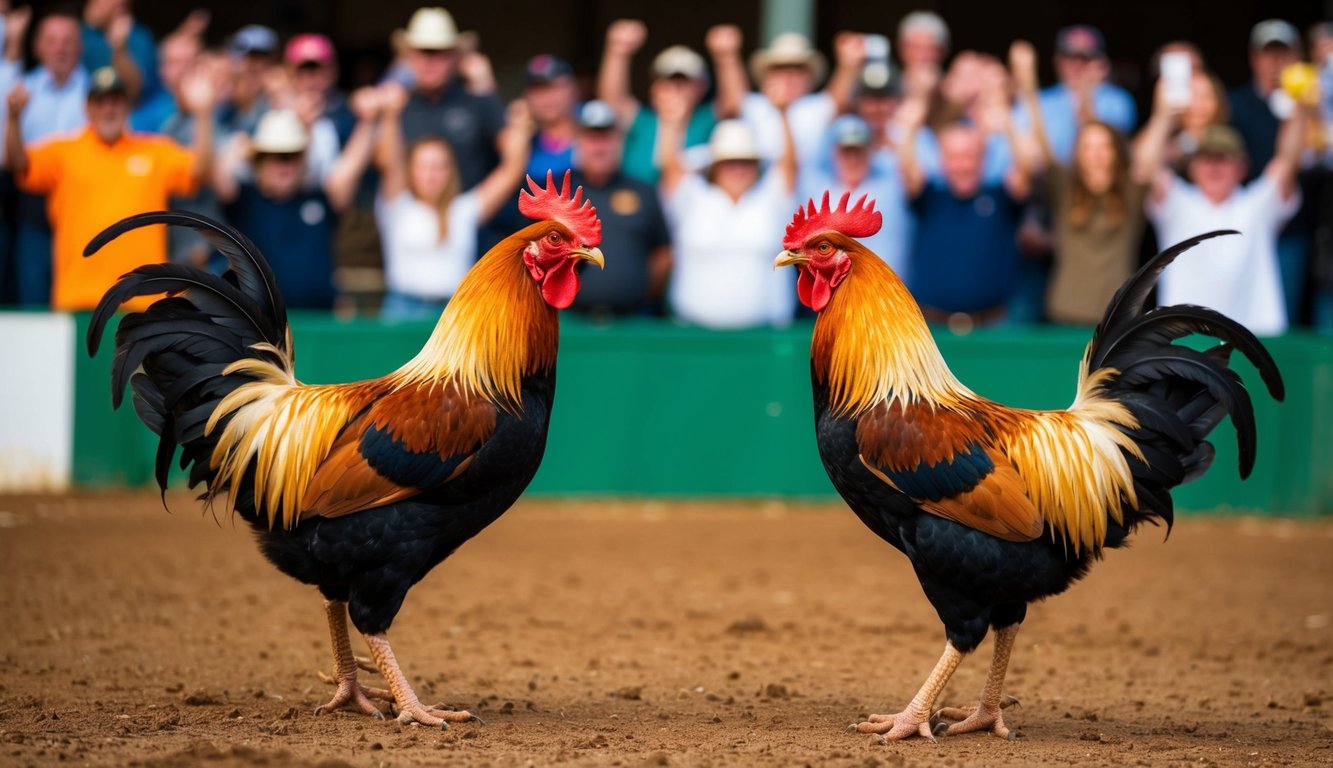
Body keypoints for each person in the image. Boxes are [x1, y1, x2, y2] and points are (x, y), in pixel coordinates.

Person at [4, 65, 214, 311]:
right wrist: (14, 118)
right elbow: (17, 163)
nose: (108, 109)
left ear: (127, 107)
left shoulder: (154, 151)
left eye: (115, 101)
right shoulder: (65, 152)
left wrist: (204, 113)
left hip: (143, 302)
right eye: (100, 102)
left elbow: (200, 171)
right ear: (87, 108)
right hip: (79, 300)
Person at [1139, 98, 1311, 335]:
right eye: (1207, 159)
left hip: (1253, 339)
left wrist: (1299, 110)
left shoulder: (1257, 204)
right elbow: (1144, 168)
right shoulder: (1177, 202)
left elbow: (1287, 160)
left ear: (1241, 167)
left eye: (1223, 158)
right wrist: (1164, 115)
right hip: (1185, 340)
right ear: (1193, 167)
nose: (1214, 167)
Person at [1013, 40, 1153, 326]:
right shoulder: (1065, 190)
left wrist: (1165, 110)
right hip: (1064, 313)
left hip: (1119, 318)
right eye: (1088, 148)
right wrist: (1027, 86)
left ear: (1117, 153)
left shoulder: (1130, 192)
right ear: (1078, 154)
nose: (1096, 155)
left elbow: (1147, 159)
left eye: (1104, 147)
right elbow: (1043, 141)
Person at [373, 83, 533, 321]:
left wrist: (520, 128)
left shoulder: (464, 210)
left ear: (451, 172)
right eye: (423, 167)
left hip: (454, 313)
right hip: (402, 310)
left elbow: (511, 171)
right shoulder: (397, 205)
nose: (431, 174)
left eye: (439, 167)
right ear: (411, 171)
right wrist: (389, 115)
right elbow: (388, 161)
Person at [898, 76, 1033, 331]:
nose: (962, 165)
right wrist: (910, 125)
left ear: (983, 160)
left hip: (993, 326)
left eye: (970, 157)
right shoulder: (930, 197)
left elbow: (1025, 170)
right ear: (942, 161)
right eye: (955, 157)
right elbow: (907, 169)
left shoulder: (1000, 197)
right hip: (931, 328)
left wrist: (1008, 124)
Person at [214, 102, 377, 310]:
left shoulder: (319, 199)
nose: (285, 165)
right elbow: (215, 173)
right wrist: (241, 146)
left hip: (319, 326)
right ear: (259, 161)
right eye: (275, 156)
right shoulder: (245, 201)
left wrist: (369, 121)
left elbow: (348, 172)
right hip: (261, 328)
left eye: (292, 155)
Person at [659, 86, 797, 329]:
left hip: (764, 336)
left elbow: (789, 166)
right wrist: (674, 123)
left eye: (745, 161)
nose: (738, 169)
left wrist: (782, 115)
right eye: (729, 162)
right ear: (715, 166)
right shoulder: (694, 197)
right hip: (694, 332)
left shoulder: (770, 200)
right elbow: (671, 168)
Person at [0, 7, 90, 306]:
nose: (60, 48)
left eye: (67, 41)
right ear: (38, 46)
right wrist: (13, 119)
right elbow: (8, 159)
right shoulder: (21, 89)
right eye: (52, 41)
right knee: (33, 297)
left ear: (79, 46)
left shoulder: (97, 94)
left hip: (81, 205)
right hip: (33, 207)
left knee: (78, 299)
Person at [567, 99, 672, 317]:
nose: (599, 146)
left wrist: (636, 292)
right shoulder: (558, 190)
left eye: (606, 137)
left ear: (619, 141)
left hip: (632, 321)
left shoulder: (644, 191)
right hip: (568, 322)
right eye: (591, 137)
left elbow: (663, 253)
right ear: (578, 141)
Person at [720, 27, 863, 168]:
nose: (789, 76)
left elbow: (839, 99)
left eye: (798, 70)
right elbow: (732, 102)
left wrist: (849, 65)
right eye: (781, 69)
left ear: (810, 78)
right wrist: (727, 57)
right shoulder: (756, 106)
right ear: (767, 77)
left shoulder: (815, 107)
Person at [396, 7, 504, 191]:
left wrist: (473, 210)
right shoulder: (397, 108)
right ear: (410, 57)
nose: (429, 61)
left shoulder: (479, 101)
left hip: (476, 215)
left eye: (439, 53)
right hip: (411, 217)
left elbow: (512, 160)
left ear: (455, 57)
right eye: (422, 52)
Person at [598, 18, 715, 185]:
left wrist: (726, 58)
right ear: (653, 88)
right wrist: (617, 51)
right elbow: (612, 100)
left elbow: (734, 102)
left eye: (682, 82)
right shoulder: (643, 120)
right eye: (666, 81)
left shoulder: (708, 118)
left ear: (702, 86)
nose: (673, 89)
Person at [799, 113, 911, 280]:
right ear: (834, 153)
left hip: (886, 294)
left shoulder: (892, 187)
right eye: (846, 151)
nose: (853, 159)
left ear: (871, 152)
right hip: (836, 297)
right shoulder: (816, 189)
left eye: (859, 151)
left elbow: (914, 175)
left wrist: (907, 129)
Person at [1011, 25, 1136, 165]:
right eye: (1069, 56)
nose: (1076, 64)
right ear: (1057, 60)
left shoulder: (1117, 100)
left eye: (1085, 57)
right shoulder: (1041, 101)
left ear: (1100, 63)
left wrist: (1086, 96)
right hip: (1051, 182)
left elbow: (1107, 152)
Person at [522, 54, 578, 180]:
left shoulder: (596, 125)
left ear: (572, 88)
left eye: (554, 87)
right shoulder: (524, 143)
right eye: (537, 90)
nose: (546, 98)